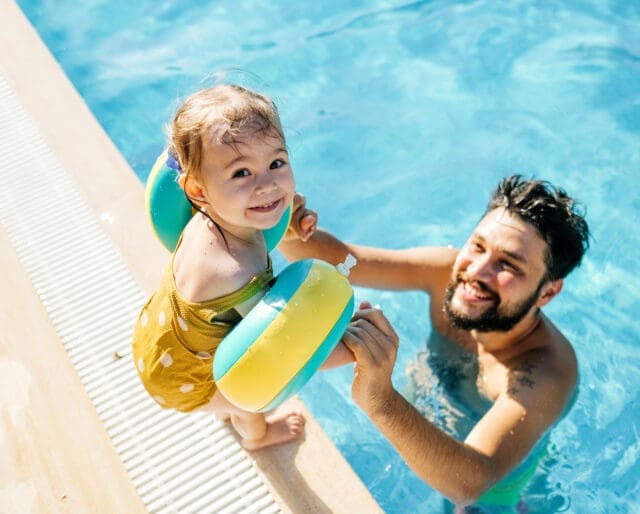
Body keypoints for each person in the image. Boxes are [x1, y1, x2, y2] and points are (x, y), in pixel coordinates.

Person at [280, 175, 589, 508]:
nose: (476, 272)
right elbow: (342, 260)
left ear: (548, 291)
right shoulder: (446, 271)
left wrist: (379, 398)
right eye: (478, 246)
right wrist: (285, 226)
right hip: (425, 418)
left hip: (495, 490)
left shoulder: (544, 372)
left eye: (508, 264)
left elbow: (472, 481)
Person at [131, 84, 351, 450]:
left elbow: (259, 221)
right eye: (241, 174)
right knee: (246, 403)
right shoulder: (235, 272)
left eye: (276, 163)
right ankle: (257, 439)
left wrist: (291, 222)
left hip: (155, 341)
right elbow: (281, 347)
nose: (267, 185)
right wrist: (352, 345)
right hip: (185, 379)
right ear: (198, 190)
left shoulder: (204, 217)